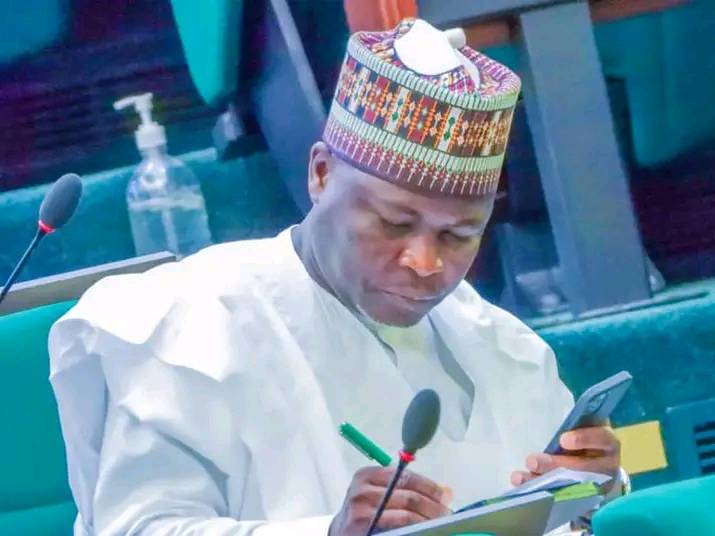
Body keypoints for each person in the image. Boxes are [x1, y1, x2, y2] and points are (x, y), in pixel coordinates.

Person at [49, 18, 623, 536]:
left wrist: (581, 497)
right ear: (322, 175)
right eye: (395, 223)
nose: (426, 262)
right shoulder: (188, 324)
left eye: (459, 235)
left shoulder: (499, 346)